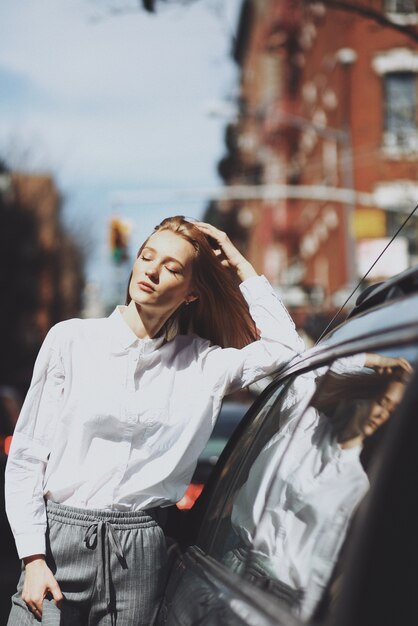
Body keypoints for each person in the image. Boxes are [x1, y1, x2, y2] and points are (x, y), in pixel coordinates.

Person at [5, 216, 305, 626]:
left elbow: (286, 348)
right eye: (147, 256)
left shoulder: (203, 364)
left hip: (140, 557)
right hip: (57, 549)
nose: (152, 269)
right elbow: (26, 457)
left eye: (172, 267)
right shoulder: (70, 340)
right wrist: (33, 557)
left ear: (192, 292)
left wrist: (240, 267)